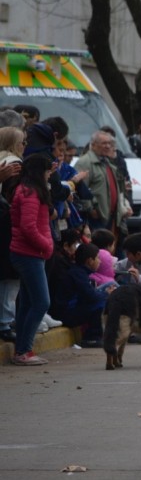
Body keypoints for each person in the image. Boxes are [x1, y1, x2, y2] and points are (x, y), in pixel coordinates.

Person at [9, 155, 54, 365]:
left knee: (27, 303)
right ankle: (24, 350)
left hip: (30, 253)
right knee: (41, 302)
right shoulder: (30, 192)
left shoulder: (27, 190)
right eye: (47, 171)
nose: (49, 176)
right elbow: (28, 227)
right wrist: (46, 245)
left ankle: (22, 350)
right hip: (29, 254)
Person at [51, 242, 115, 347]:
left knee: (104, 295)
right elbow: (91, 297)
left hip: (74, 308)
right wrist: (106, 294)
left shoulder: (81, 272)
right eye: (97, 258)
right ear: (90, 261)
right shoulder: (77, 274)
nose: (100, 261)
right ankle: (91, 338)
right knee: (101, 304)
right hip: (66, 314)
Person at [75, 131, 133, 237]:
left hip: (110, 217)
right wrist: (91, 209)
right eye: (103, 143)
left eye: (109, 143)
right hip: (96, 219)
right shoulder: (85, 162)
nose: (107, 146)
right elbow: (80, 189)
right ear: (93, 144)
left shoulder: (106, 161)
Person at [0, 125, 24, 342]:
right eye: (22, 143)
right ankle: (5, 322)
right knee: (10, 277)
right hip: (8, 226)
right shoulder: (13, 163)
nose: (25, 147)